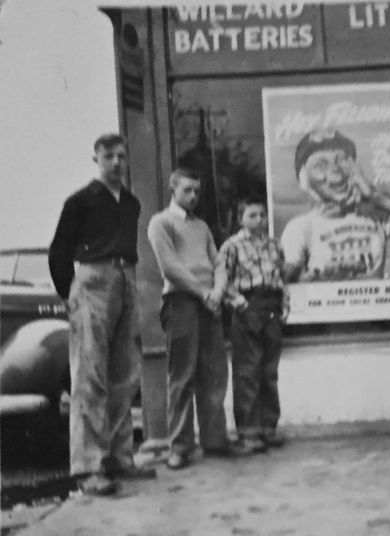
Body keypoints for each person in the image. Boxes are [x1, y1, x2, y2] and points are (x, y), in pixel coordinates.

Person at [48, 133, 156, 496]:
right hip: (92, 281)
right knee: (90, 375)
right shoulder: (80, 201)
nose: (117, 163)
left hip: (126, 278)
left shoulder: (131, 203)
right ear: (96, 158)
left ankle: (119, 457)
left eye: (122, 156)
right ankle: (88, 467)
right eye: (109, 156)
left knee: (124, 373)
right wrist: (70, 296)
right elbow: (59, 252)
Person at [147, 168, 250, 470]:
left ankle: (215, 440)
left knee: (215, 373)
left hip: (209, 303)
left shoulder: (202, 226)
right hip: (182, 303)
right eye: (187, 190)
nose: (193, 196)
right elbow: (170, 268)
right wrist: (204, 293)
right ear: (173, 189)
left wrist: (219, 291)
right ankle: (179, 446)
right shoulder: (161, 223)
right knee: (182, 376)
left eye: (197, 191)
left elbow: (217, 261)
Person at [281, 128, 390, 282]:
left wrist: (376, 196)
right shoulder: (301, 227)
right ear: (304, 179)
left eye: (341, 159)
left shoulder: (372, 215)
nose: (336, 170)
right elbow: (290, 280)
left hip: (374, 305)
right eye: (320, 165)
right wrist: (327, 275)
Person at [218, 197, 290, 453]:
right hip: (248, 306)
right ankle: (249, 431)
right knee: (248, 371)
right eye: (252, 215)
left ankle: (268, 426)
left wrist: (284, 305)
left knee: (269, 371)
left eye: (262, 214)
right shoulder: (232, 246)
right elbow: (222, 281)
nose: (259, 219)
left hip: (270, 307)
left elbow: (281, 276)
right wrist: (240, 305)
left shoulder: (274, 245)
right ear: (241, 219)